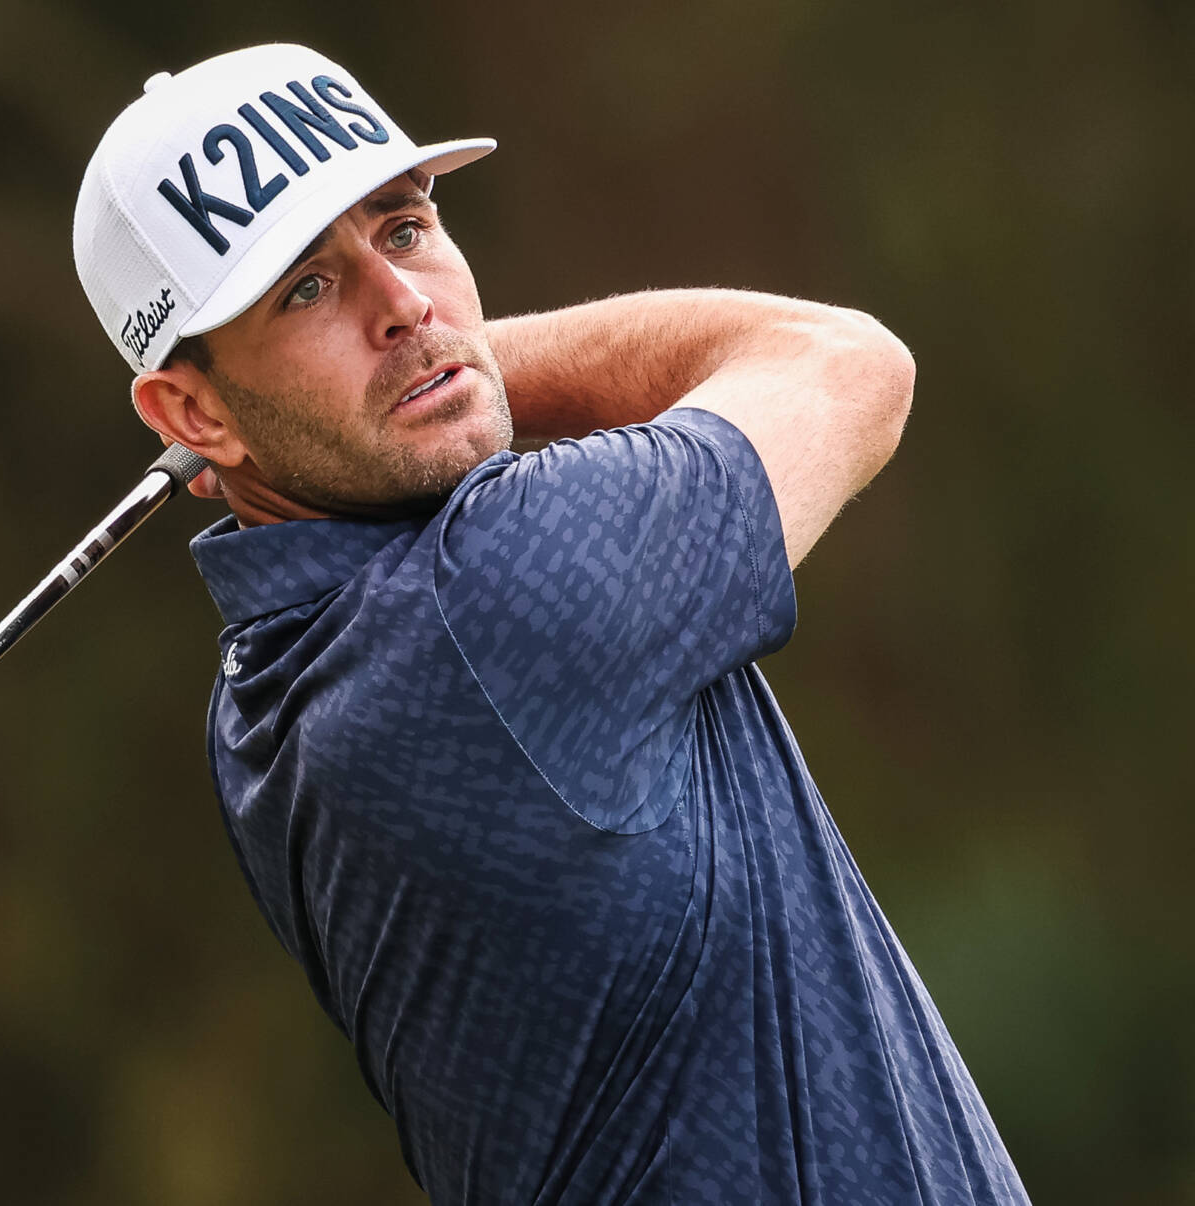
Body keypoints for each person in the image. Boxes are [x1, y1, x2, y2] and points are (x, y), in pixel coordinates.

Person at [73, 42, 1031, 1205]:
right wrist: (460, 364)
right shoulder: (493, 592)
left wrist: (423, 375)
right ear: (190, 414)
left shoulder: (261, 697)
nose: (405, 304)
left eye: (405, 228)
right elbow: (844, 363)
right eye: (307, 291)